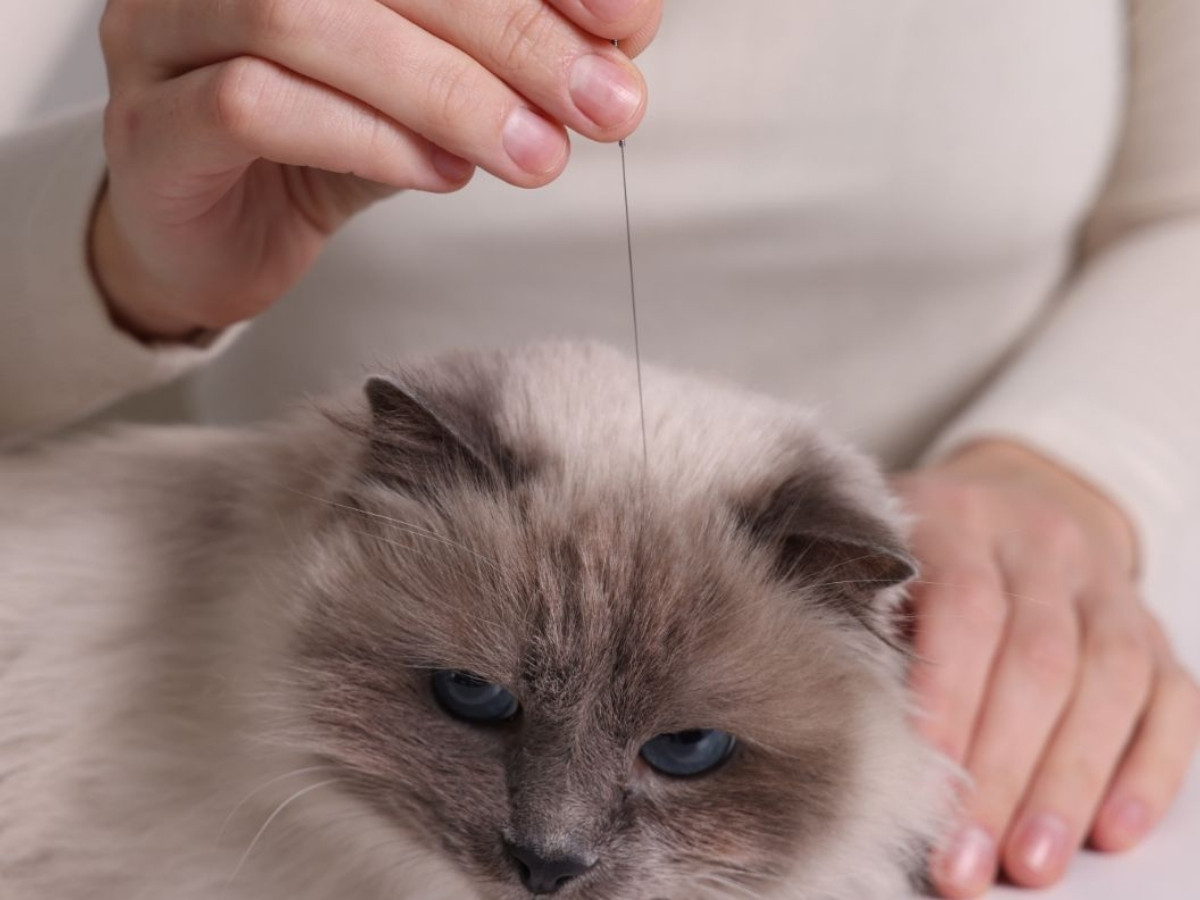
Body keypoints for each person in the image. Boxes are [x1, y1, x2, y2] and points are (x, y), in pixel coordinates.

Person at [1, 1, 1198, 897]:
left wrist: (1069, 464)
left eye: (685, 750)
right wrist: (117, 247)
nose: (549, 843)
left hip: (969, 609)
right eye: (470, 699)